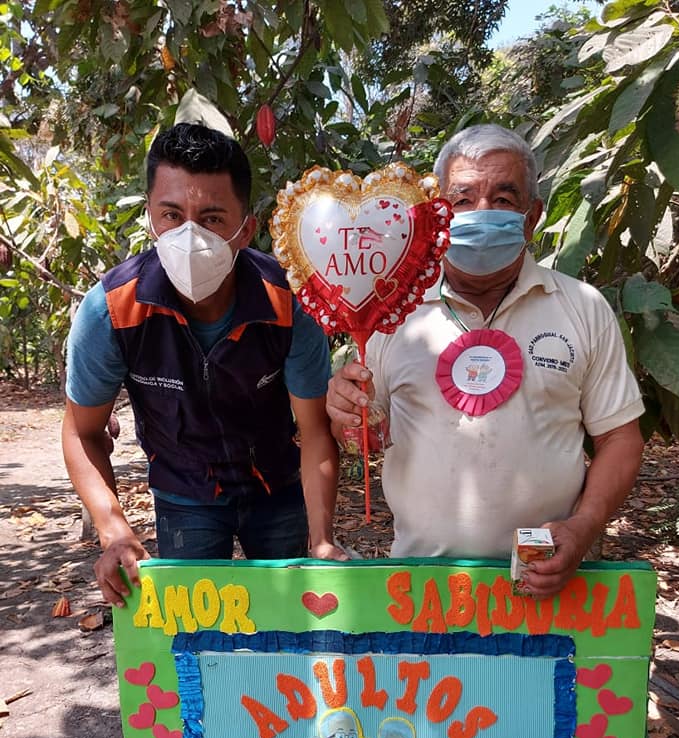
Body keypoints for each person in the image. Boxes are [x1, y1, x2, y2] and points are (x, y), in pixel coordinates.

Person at [326, 124, 645, 598]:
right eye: (462, 199)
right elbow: (364, 431)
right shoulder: (392, 314)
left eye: (503, 198)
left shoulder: (582, 307)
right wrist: (346, 413)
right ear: (438, 214)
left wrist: (583, 527)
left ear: (532, 216)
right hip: (423, 585)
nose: (481, 212)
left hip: (545, 582)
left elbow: (619, 436)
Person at [63, 122, 345, 608]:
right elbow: (81, 431)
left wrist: (321, 539)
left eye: (212, 218)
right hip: (184, 493)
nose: (189, 235)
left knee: (289, 621)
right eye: (172, 215)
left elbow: (315, 429)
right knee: (195, 631)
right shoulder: (110, 310)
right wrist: (115, 532)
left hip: (276, 488)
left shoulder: (287, 302)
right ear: (150, 216)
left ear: (245, 229)